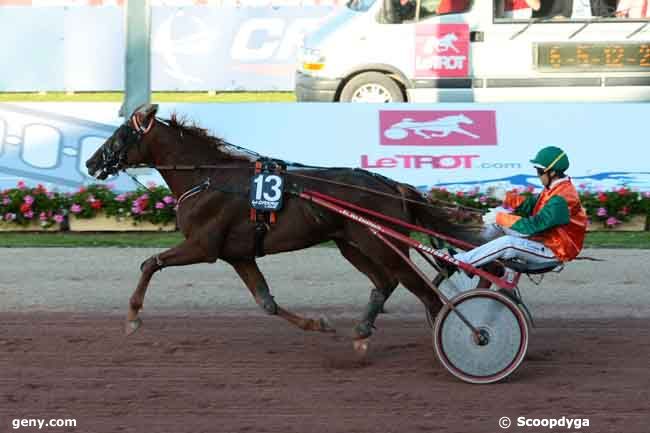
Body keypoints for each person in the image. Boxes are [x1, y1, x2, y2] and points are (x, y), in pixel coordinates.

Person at [452, 146, 588, 273]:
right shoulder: (555, 188)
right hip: (543, 239)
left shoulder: (561, 198)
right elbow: (529, 206)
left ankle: (458, 263)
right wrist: (505, 197)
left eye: (539, 171)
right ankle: (476, 251)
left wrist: (500, 217)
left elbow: (535, 225)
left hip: (553, 251)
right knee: (501, 215)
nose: (537, 175)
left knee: (508, 243)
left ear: (552, 172)